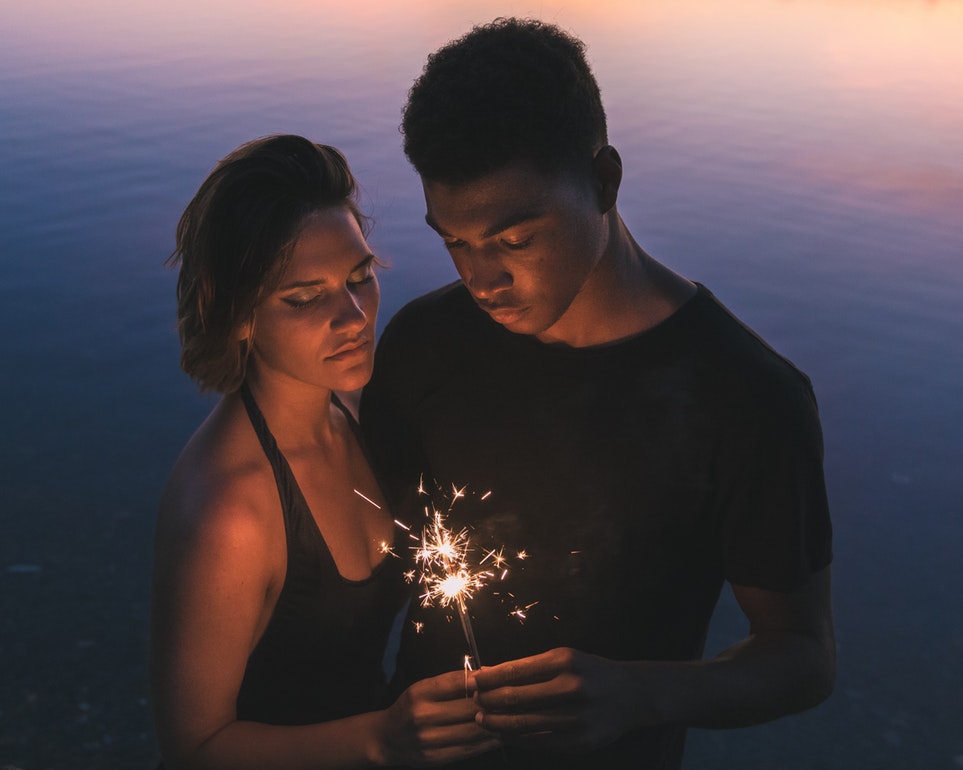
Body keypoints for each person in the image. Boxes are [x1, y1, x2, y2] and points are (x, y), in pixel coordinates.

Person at [360, 18, 836, 769]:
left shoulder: (748, 398)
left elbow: (802, 655)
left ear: (604, 180)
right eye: (454, 240)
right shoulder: (424, 344)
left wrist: (643, 694)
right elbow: (377, 566)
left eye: (515, 240)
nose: (481, 279)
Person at [149, 134, 500, 769]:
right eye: (305, 298)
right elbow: (193, 749)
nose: (355, 316)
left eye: (359, 277)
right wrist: (382, 739)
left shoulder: (357, 409)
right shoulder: (232, 514)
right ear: (239, 316)